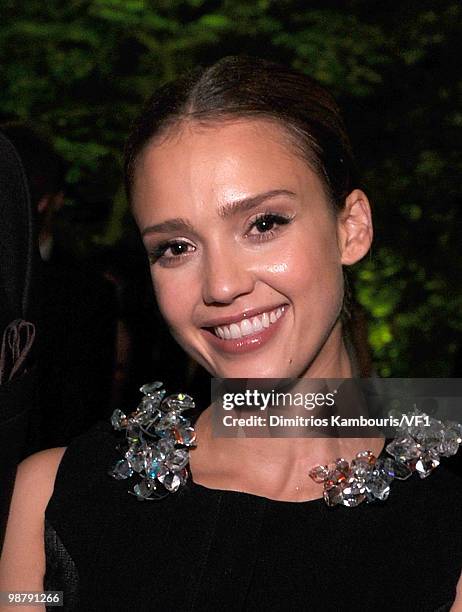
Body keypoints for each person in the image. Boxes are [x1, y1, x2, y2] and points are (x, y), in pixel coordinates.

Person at [1, 56, 461, 612]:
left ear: (351, 228)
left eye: (263, 224)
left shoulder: (443, 519)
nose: (220, 286)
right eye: (176, 247)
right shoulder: (54, 496)